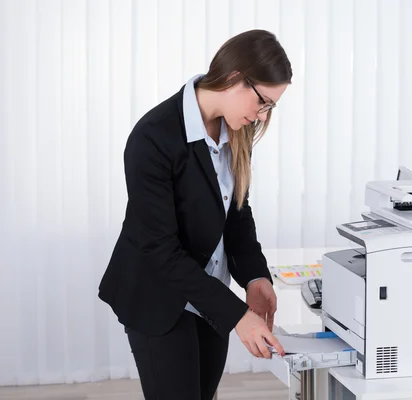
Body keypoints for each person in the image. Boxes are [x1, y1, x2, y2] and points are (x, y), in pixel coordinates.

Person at [98, 29, 292, 399]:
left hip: (209, 298)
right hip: (159, 298)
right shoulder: (154, 137)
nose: (261, 116)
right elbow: (159, 249)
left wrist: (255, 277)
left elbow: (236, 212)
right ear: (236, 78)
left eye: (271, 107)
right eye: (263, 102)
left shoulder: (236, 130)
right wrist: (238, 316)